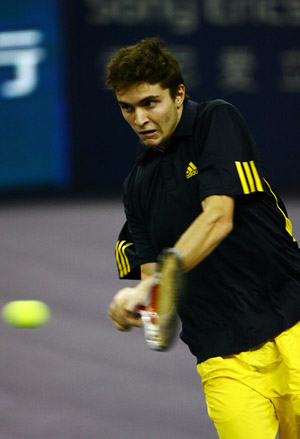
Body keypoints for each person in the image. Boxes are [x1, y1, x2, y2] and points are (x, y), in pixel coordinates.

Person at [106, 37, 300, 439]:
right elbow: (153, 281)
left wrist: (162, 276)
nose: (139, 118)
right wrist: (138, 303)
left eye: (150, 103)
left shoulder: (216, 120)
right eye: (128, 108)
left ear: (178, 95)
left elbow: (218, 218)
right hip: (222, 356)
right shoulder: (137, 186)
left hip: (292, 326)